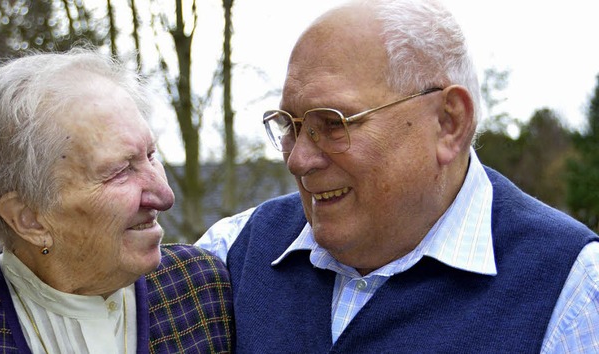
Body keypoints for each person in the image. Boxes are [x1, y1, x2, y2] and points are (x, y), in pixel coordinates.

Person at [196, 0, 599, 352]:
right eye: (290, 125)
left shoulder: (572, 290)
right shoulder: (232, 254)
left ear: (448, 124)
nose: (298, 159)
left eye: (333, 123)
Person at [0, 49, 233, 353]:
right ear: (30, 220)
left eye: (151, 156)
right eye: (119, 172)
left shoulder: (200, 289)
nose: (164, 196)